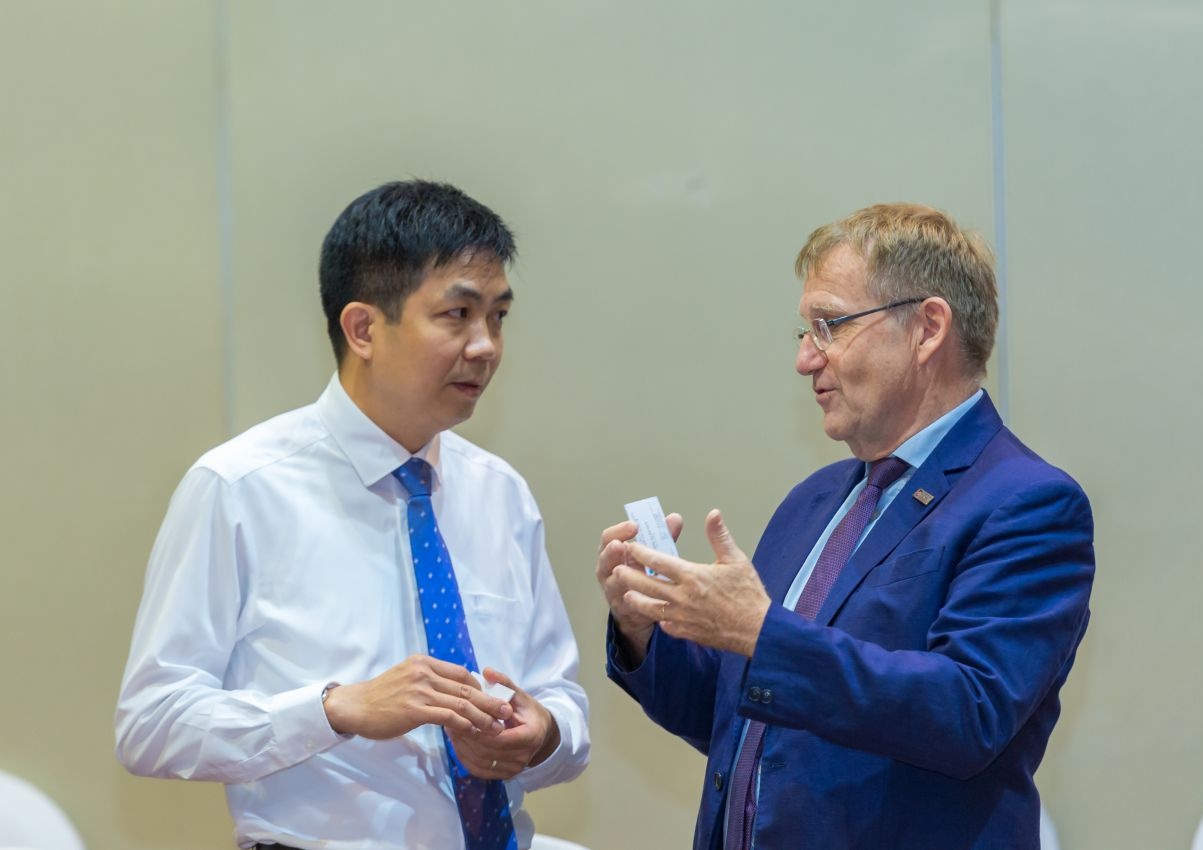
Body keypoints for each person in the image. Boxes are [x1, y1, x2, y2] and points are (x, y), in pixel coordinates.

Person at [597, 203, 1094, 849]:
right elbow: (741, 719)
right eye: (804, 333)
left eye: (828, 326)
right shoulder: (815, 501)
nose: (806, 359)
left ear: (927, 329)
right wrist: (645, 628)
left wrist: (759, 633)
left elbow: (968, 711)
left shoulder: (1027, 503)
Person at [117, 180, 589, 850]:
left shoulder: (500, 493)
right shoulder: (240, 488)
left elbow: (562, 704)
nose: (485, 346)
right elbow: (151, 723)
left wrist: (540, 735)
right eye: (457, 314)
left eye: (498, 317)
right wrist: (334, 710)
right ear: (363, 328)